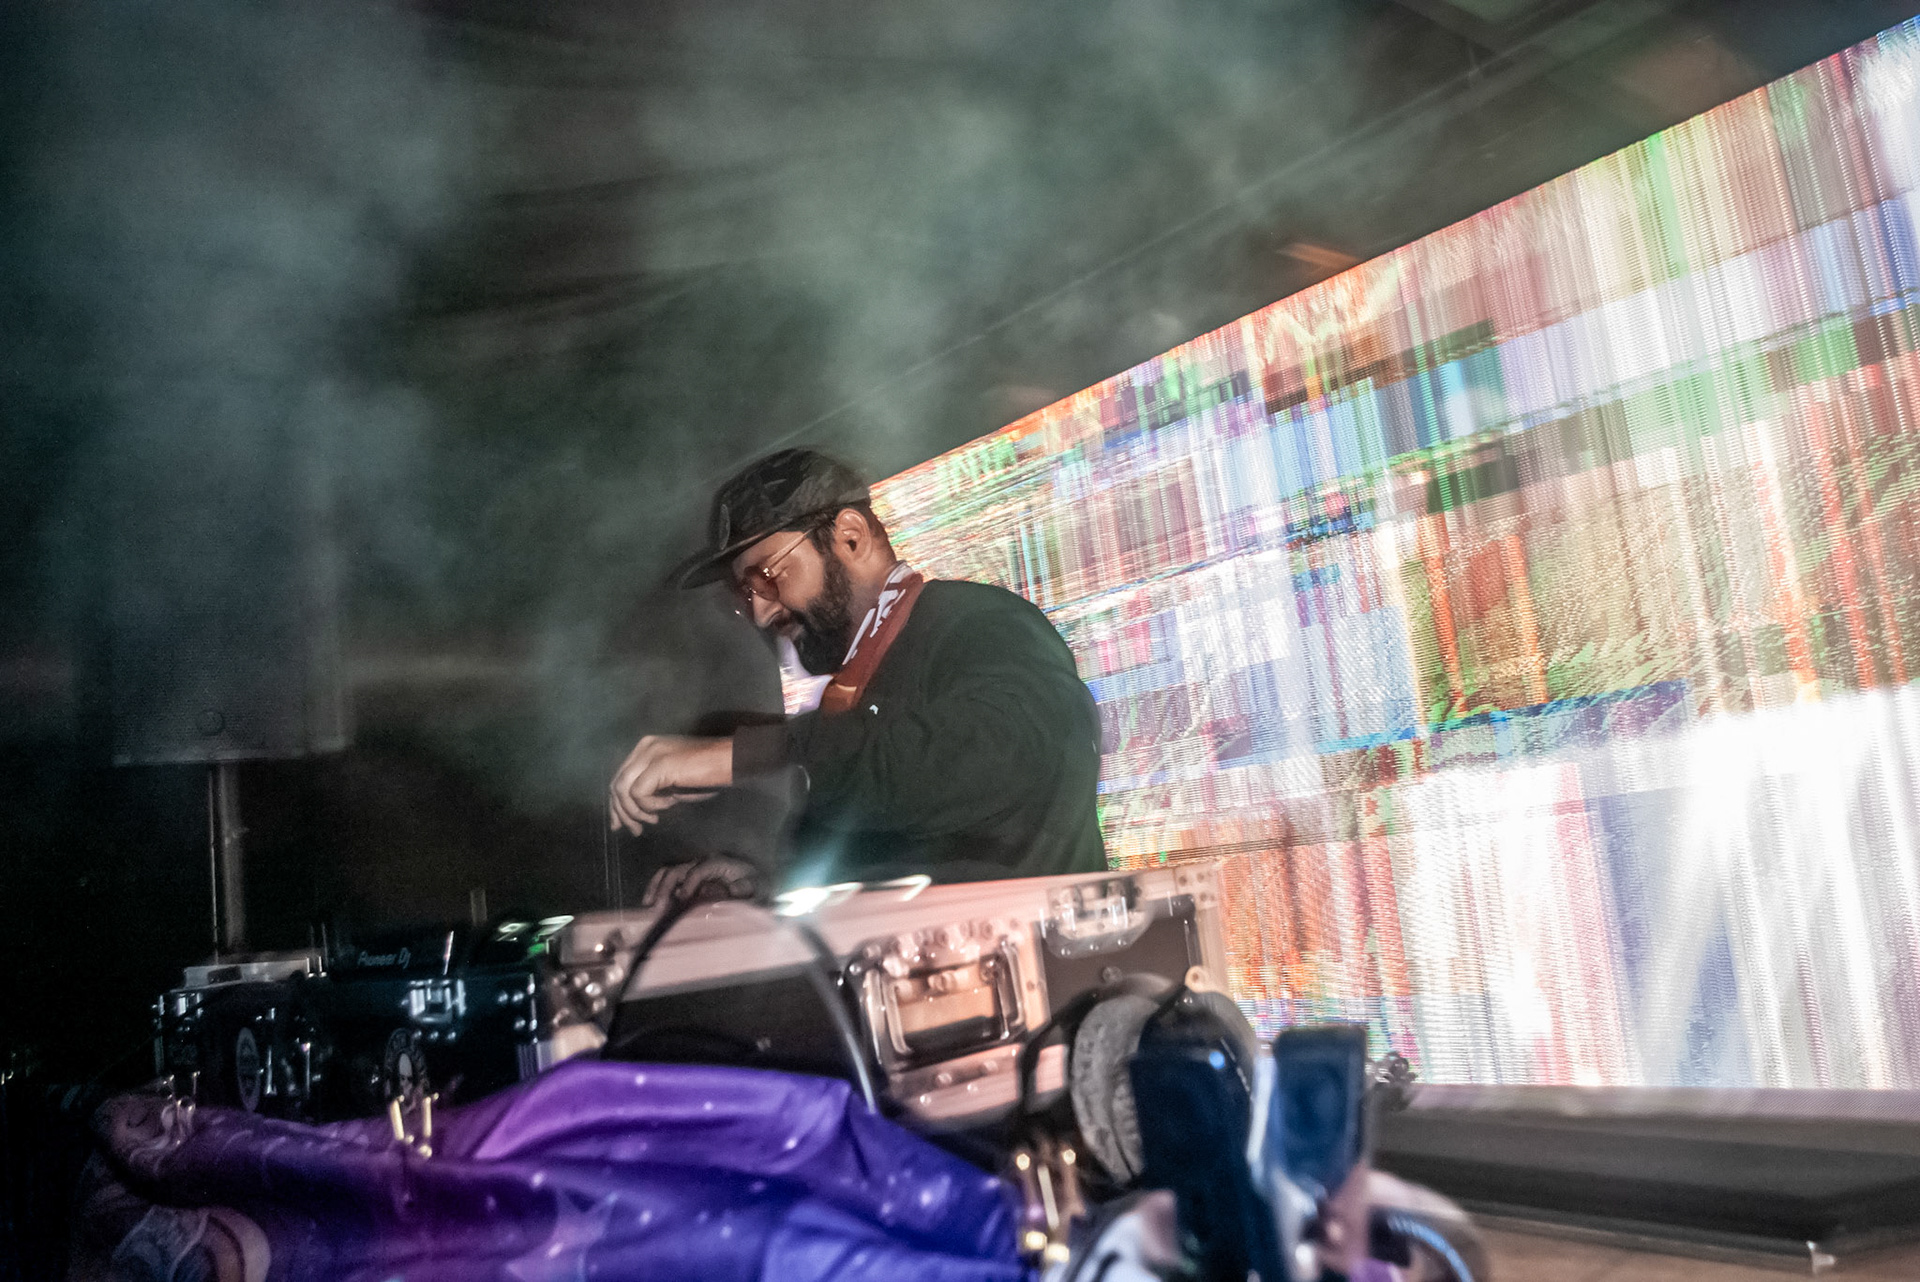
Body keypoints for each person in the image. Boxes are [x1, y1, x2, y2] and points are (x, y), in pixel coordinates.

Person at [609, 448, 1107, 896]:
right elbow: (901, 854)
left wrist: (749, 754)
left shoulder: (978, 622)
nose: (760, 613)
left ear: (851, 537)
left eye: (768, 576)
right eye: (746, 594)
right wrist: (765, 889)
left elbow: (988, 762)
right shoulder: (857, 687)